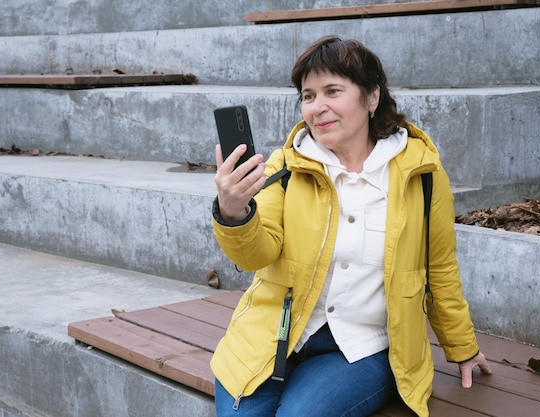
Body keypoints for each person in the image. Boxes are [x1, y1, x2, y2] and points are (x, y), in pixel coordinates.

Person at [210, 35, 492, 417]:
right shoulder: (286, 167)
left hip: (362, 346)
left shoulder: (420, 175)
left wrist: (462, 347)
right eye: (308, 96)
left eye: (333, 91)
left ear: (371, 97)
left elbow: (439, 267)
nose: (317, 107)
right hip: (272, 336)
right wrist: (234, 210)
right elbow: (255, 254)